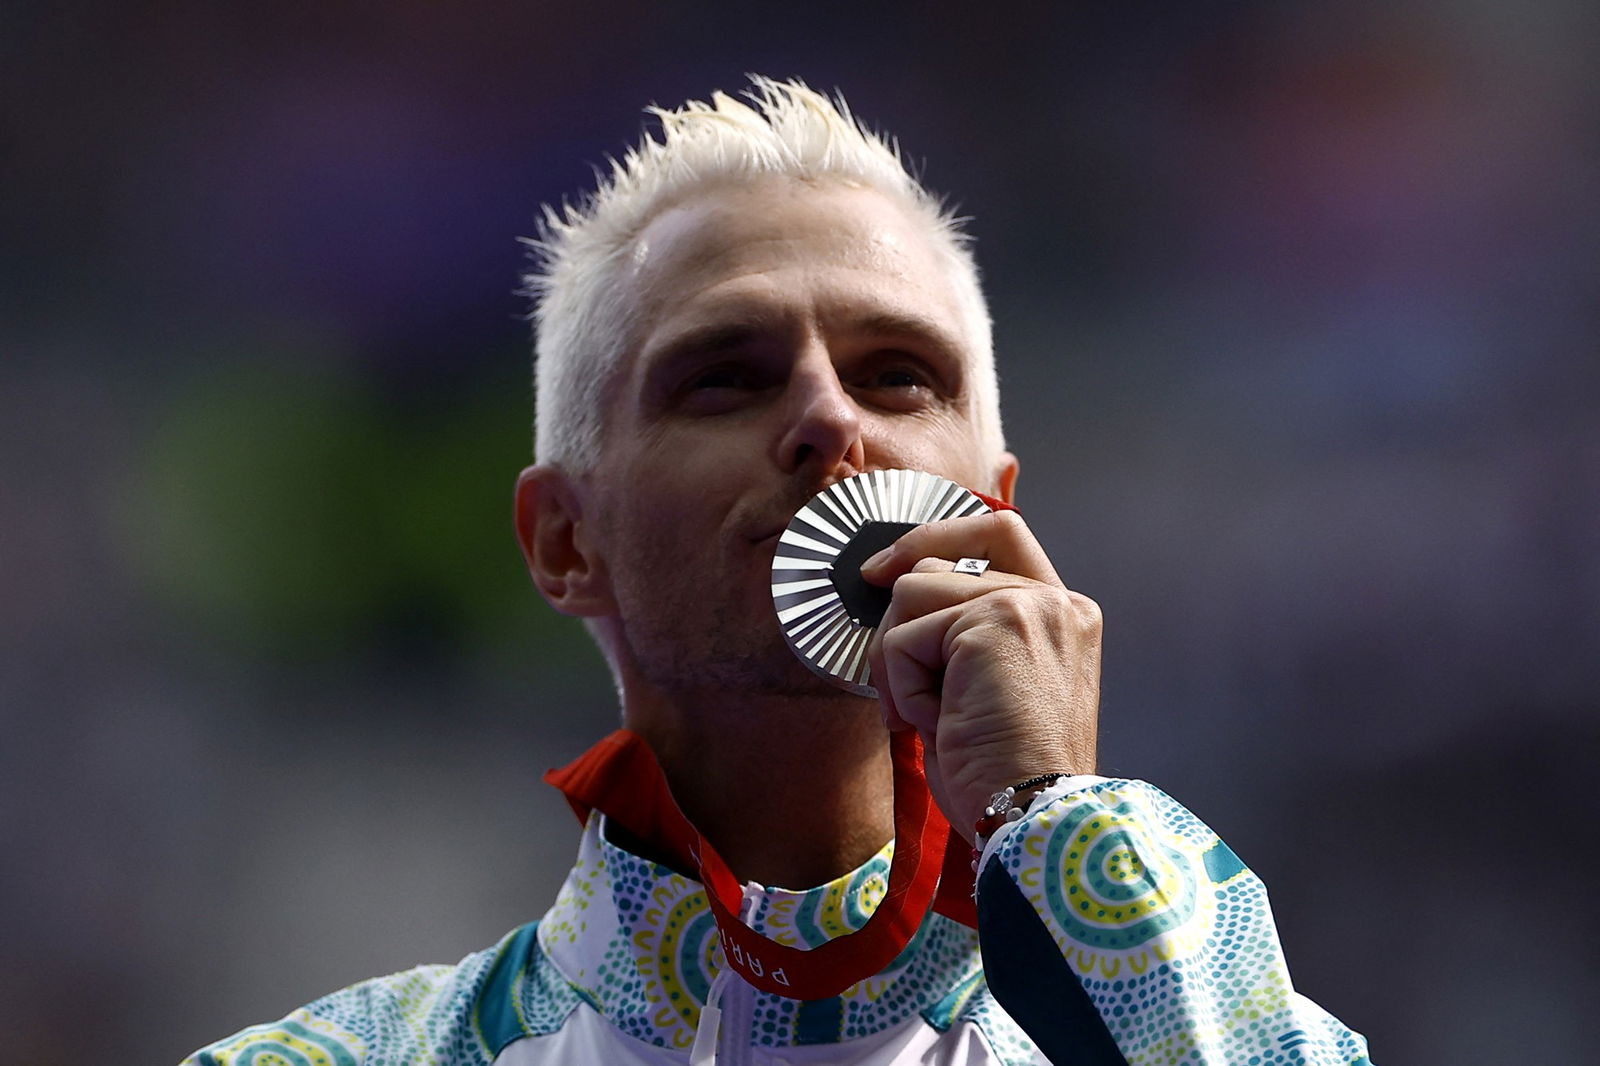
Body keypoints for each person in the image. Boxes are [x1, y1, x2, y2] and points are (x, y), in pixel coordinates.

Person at [184, 77, 1371, 1066]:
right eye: (724, 377)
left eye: (898, 372)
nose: (825, 417)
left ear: (994, 508)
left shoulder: (1173, 1018)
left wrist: (1055, 827)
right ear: (564, 540)